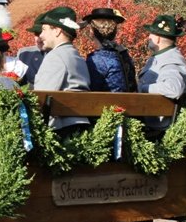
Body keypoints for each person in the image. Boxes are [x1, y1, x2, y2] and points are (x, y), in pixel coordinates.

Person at [33, 7, 91, 135]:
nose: (41, 35)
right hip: (80, 125)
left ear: (57, 31)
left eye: (44, 29)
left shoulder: (55, 57)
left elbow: (40, 98)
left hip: (61, 129)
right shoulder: (76, 55)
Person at [137, 14, 186, 135]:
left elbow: (174, 89)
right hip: (151, 125)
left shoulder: (170, 60)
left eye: (151, 34)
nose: (148, 37)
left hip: (158, 132)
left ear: (157, 38)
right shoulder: (162, 56)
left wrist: (144, 88)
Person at [82, 7, 137, 93]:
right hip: (127, 101)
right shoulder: (124, 55)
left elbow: (90, 91)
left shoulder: (96, 60)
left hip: (107, 102)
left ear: (91, 31)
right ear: (115, 32)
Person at [15, 15, 47, 87]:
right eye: (36, 34)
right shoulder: (24, 53)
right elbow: (16, 79)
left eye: (41, 34)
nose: (38, 39)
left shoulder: (59, 54)